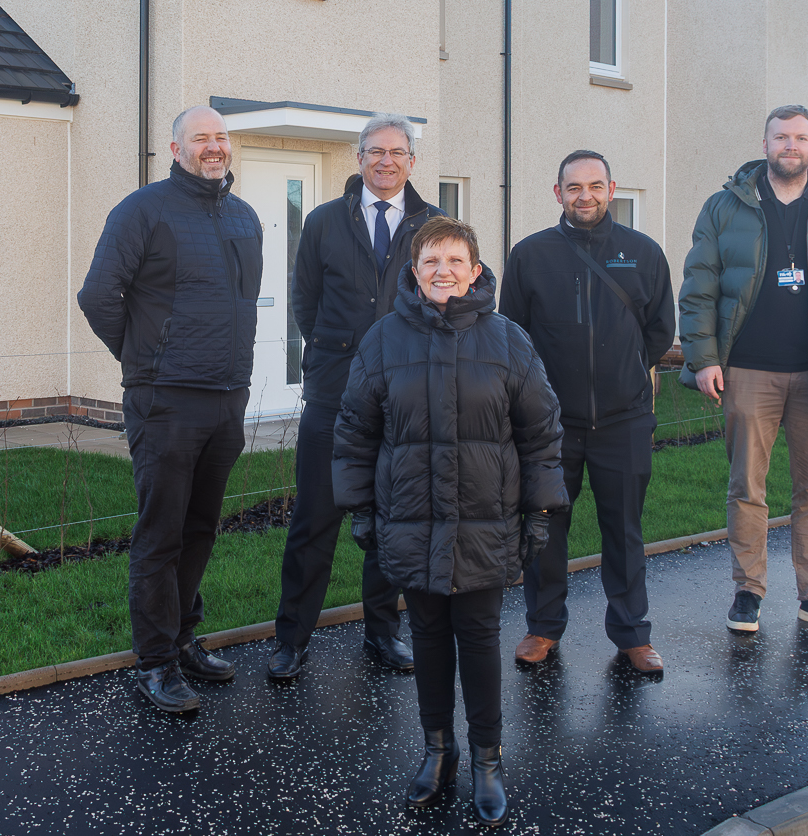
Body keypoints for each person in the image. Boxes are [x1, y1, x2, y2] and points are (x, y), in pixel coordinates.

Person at [334, 217, 566, 821]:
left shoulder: (509, 340)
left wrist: (538, 511)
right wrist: (360, 507)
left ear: (476, 270)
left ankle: (487, 758)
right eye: (431, 262)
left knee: (481, 640)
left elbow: (540, 432)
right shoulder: (383, 340)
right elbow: (356, 431)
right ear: (414, 272)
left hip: (486, 521)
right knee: (431, 640)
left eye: (455, 261)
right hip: (410, 519)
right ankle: (438, 750)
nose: (443, 272)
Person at [77, 105, 264, 712]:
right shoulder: (143, 211)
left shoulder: (243, 216)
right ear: (176, 147)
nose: (214, 147)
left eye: (221, 137)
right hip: (165, 399)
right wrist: (143, 361)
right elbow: (99, 294)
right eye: (200, 138)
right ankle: (154, 661)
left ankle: (183, 638)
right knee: (161, 532)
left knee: (202, 527)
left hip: (226, 394)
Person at [678, 104, 808, 640]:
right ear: (765, 142)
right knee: (746, 487)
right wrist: (703, 358)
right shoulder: (725, 206)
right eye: (780, 136)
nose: (790, 145)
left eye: (800, 137)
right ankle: (748, 590)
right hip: (747, 370)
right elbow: (699, 289)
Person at [268, 113, 441, 681]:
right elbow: (306, 302)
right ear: (358, 158)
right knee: (315, 518)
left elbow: (446, 302)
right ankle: (292, 638)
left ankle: (382, 634)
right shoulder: (322, 222)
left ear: (412, 161)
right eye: (374, 151)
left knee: (393, 519)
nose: (385, 161)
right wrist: (329, 352)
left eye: (397, 152)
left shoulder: (434, 226)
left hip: (406, 394)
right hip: (333, 392)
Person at [500, 150, 675, 675]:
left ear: (611, 188)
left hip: (623, 421)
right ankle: (542, 627)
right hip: (550, 425)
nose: (585, 196)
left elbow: (659, 332)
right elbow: (513, 333)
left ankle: (632, 634)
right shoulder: (530, 255)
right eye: (574, 187)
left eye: (595, 186)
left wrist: (622, 374)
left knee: (624, 530)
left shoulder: (643, 253)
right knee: (546, 531)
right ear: (558, 193)